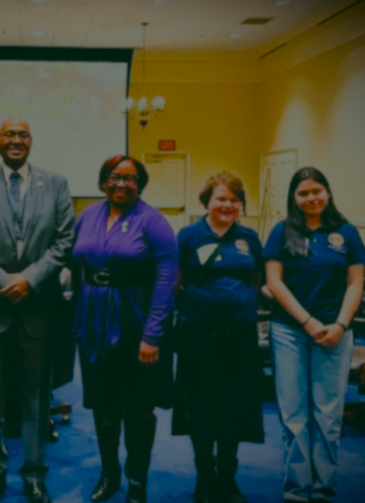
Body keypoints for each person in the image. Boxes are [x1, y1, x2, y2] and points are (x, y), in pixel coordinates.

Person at [0, 117, 74, 503]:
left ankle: (35, 475)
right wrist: (5, 281)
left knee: (35, 401)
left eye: (23, 134)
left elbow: (63, 241)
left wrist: (31, 278)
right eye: (9, 134)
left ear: (31, 141)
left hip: (37, 308)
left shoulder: (55, 183)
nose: (16, 140)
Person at [69, 155, 177, 503]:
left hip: (137, 328)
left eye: (130, 178)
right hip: (93, 326)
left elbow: (166, 280)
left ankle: (137, 481)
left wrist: (153, 335)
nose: (121, 183)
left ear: (139, 184)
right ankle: (109, 473)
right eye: (115, 177)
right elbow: (71, 259)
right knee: (104, 408)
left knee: (139, 409)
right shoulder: (87, 215)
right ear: (103, 182)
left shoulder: (153, 221)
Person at [264, 167, 364, 503]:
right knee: (293, 412)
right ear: (294, 198)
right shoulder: (281, 232)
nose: (311, 198)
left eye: (317, 191)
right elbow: (274, 283)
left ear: (328, 192)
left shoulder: (347, 233)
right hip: (289, 331)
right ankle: (296, 490)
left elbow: (356, 283)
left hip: (336, 333)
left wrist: (340, 325)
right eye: (303, 193)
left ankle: (323, 490)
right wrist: (307, 321)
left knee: (328, 412)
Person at [172, 172, 264, 503]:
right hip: (198, 335)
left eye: (234, 199)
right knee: (200, 405)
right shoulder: (188, 235)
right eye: (221, 198)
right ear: (207, 202)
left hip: (239, 336)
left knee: (233, 407)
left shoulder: (250, 238)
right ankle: (205, 476)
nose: (227, 205)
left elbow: (256, 278)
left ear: (241, 205)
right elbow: (175, 282)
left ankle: (228, 477)